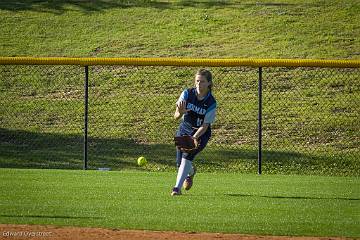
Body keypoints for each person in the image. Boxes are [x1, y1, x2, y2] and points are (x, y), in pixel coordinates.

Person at [171, 69, 217, 196]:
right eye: (197, 81)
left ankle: (176, 189)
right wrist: (179, 112)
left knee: (187, 157)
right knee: (179, 163)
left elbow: (205, 125)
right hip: (184, 129)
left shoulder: (211, 102)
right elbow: (176, 116)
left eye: (202, 81)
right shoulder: (187, 94)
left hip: (201, 133)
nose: (198, 84)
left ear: (209, 83)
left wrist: (194, 138)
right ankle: (190, 172)